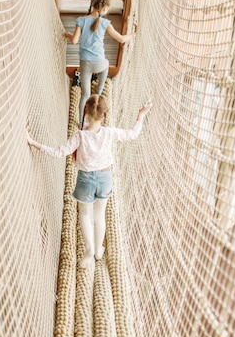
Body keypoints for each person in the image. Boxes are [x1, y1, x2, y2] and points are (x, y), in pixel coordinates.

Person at [27, 94, 152, 268]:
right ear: (104, 114)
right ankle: (99, 249)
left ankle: (89, 250)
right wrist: (142, 114)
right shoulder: (109, 133)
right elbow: (132, 134)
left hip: (85, 179)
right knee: (99, 215)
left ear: (85, 111)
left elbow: (59, 152)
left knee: (85, 214)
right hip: (104, 177)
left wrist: (34, 143)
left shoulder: (80, 136)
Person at [64, 0, 136, 128]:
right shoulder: (105, 23)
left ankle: (81, 124)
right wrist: (132, 35)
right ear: (104, 8)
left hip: (85, 64)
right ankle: (98, 93)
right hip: (100, 65)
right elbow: (120, 39)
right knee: (105, 69)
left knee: (84, 94)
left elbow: (74, 41)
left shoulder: (81, 20)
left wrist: (68, 34)